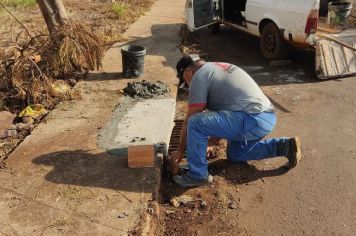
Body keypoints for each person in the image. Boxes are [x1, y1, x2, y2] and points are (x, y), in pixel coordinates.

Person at [168, 54, 301, 188]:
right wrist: (212, 142)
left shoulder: (199, 76)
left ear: (188, 72)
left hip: (251, 118)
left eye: (186, 82)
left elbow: (191, 119)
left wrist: (179, 151)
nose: (189, 87)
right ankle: (285, 147)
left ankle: (197, 175)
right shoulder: (215, 68)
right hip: (265, 118)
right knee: (236, 154)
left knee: (195, 123)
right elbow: (226, 111)